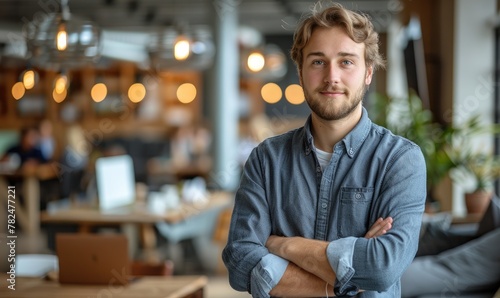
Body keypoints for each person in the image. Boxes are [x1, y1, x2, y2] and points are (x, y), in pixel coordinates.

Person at [222, 2, 427, 297]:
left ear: (368, 72)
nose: (332, 77)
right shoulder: (267, 159)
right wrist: (349, 276)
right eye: (318, 61)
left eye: (346, 61)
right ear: (301, 71)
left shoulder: (400, 160)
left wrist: (283, 245)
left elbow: (383, 268)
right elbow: (240, 262)